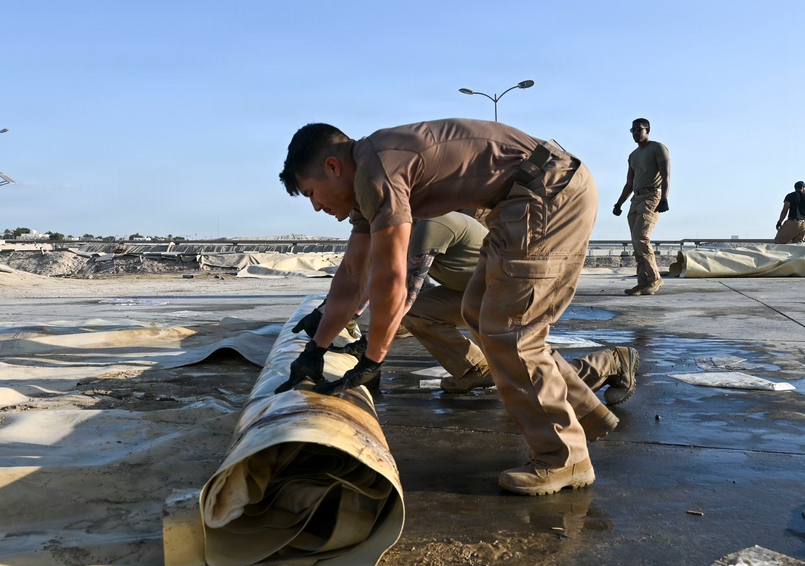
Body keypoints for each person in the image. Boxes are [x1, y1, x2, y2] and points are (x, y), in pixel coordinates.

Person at [275, 118, 611, 496]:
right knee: (479, 311)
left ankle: (564, 456)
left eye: (311, 193)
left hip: (547, 190)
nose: (316, 207)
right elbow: (353, 275)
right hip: (520, 198)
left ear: (333, 166)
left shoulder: (377, 172)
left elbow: (392, 279)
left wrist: (372, 359)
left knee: (510, 330)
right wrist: (315, 349)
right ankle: (586, 412)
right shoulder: (368, 179)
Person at [295, 211, 641, 414]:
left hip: (513, 296)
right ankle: (474, 369)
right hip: (474, 295)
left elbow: (404, 294)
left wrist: (368, 352)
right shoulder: (403, 230)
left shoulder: (429, 225)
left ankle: (612, 362)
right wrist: (331, 314)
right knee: (419, 315)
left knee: (526, 377)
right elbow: (374, 280)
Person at [612, 118, 670, 296]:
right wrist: (619, 203)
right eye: (633, 130)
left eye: (639, 129)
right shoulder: (633, 156)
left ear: (648, 130)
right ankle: (642, 282)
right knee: (636, 242)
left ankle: (655, 279)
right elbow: (629, 184)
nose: (636, 133)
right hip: (636, 198)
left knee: (641, 237)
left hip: (652, 196)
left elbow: (666, 175)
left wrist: (664, 198)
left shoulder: (658, 148)